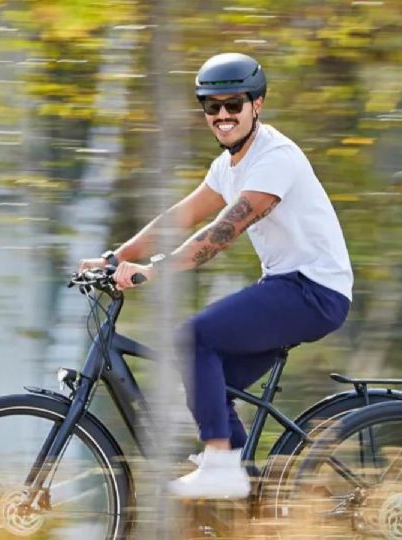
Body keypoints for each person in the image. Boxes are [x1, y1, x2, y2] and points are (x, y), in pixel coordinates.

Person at [78, 52, 353, 499]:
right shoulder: (226, 166)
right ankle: (243, 479)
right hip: (287, 286)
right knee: (208, 375)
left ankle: (222, 464)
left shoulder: (275, 157)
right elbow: (180, 216)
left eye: (234, 105)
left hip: (313, 290)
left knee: (193, 338)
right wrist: (116, 256)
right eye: (212, 107)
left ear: (256, 105)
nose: (223, 116)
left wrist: (153, 271)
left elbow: (222, 232)